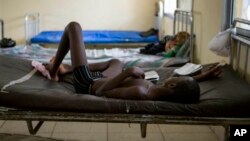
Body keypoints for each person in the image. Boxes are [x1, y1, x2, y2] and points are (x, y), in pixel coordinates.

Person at [43, 22, 222, 104]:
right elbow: (183, 87)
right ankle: (66, 68)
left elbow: (100, 91)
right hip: (103, 78)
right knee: (116, 61)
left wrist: (127, 73)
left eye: (176, 79)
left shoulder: (142, 92)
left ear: (173, 85)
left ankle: (54, 72)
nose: (174, 75)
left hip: (87, 83)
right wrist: (204, 75)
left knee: (74, 27)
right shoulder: (160, 90)